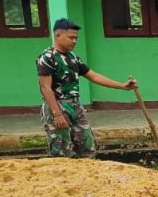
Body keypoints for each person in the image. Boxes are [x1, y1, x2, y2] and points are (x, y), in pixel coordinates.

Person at [36, 18, 138, 158]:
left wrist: (122, 86)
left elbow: (94, 76)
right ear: (58, 35)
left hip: (75, 106)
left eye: (76, 38)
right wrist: (57, 114)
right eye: (71, 37)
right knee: (62, 151)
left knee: (87, 147)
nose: (74, 41)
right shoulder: (47, 57)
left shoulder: (73, 58)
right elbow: (45, 87)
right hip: (57, 106)